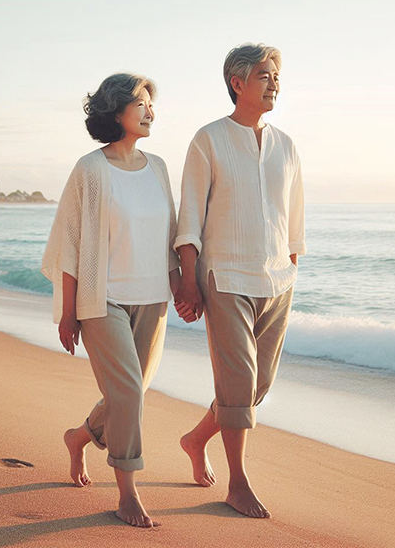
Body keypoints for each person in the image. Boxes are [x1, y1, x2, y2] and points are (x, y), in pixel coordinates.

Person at [41, 73, 194, 528]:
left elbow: (169, 237)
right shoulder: (90, 169)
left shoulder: (160, 167)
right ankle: (127, 491)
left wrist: (183, 284)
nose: (151, 110)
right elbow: (69, 244)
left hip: (153, 299)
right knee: (128, 392)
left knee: (131, 393)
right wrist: (68, 314)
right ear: (115, 110)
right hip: (101, 298)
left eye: (152, 104)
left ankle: (79, 437)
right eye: (142, 103)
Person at [173, 43, 306, 518]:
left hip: (277, 281)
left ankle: (194, 439)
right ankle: (238, 482)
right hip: (225, 276)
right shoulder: (208, 140)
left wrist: (291, 267)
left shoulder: (286, 145)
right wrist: (188, 282)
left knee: (255, 386)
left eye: (276, 76)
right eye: (266, 76)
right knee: (238, 381)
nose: (275, 83)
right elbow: (189, 217)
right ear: (238, 83)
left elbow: (294, 221)